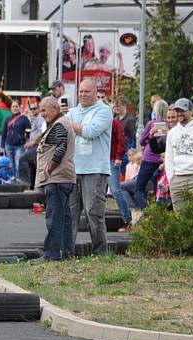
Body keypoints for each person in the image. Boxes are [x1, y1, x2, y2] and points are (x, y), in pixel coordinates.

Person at [67, 79, 113, 255]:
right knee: (70, 214)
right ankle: (67, 252)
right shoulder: (72, 111)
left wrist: (70, 125)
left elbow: (90, 132)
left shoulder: (104, 111)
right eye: (80, 91)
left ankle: (100, 252)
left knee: (93, 213)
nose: (83, 94)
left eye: (87, 91)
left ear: (95, 92)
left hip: (95, 170)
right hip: (73, 169)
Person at [36, 96, 76, 260]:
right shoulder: (62, 123)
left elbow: (60, 148)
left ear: (55, 108)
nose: (42, 113)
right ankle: (66, 253)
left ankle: (51, 254)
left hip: (57, 179)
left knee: (54, 218)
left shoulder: (59, 125)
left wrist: (48, 169)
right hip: (64, 178)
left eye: (44, 110)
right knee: (65, 217)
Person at [133, 99, 169, 213]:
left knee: (139, 189)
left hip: (149, 159)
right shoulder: (169, 125)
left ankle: (147, 211)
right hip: (163, 160)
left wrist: (147, 143)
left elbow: (142, 139)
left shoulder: (152, 124)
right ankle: (158, 208)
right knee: (157, 186)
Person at [108, 108, 131, 232]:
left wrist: (118, 157)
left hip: (111, 160)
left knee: (116, 190)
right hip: (99, 160)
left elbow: (122, 141)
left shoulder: (115, 124)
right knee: (97, 193)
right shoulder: (95, 124)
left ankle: (127, 220)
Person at [17, 101, 45, 187]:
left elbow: (42, 133)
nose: (33, 110)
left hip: (39, 145)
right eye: (31, 109)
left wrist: (32, 143)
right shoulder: (34, 118)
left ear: (39, 108)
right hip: (34, 145)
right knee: (32, 165)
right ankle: (31, 186)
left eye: (35, 108)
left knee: (23, 159)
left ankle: (25, 182)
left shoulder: (40, 118)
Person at [0, 100, 32, 175]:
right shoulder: (7, 119)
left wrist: (26, 139)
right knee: (10, 165)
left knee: (18, 165)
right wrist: (2, 146)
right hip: (9, 145)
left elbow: (29, 131)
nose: (14, 108)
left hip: (20, 146)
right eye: (13, 106)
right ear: (11, 108)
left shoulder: (24, 119)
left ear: (20, 107)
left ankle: (18, 181)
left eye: (16, 106)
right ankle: (12, 181)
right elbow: (4, 133)